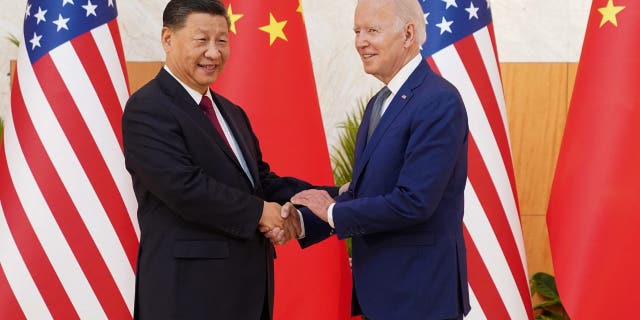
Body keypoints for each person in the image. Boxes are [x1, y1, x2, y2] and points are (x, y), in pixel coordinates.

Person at [122, 0, 319, 319]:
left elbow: (260, 182)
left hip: (246, 295)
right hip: (187, 297)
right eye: (201, 40)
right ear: (168, 39)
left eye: (222, 40)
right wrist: (261, 213)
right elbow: (184, 187)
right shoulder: (147, 108)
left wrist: (331, 198)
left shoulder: (232, 112)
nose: (213, 53)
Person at [289, 0, 471, 318]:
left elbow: (414, 201)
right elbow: (367, 193)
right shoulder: (379, 103)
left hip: (419, 297)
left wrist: (331, 211)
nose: (360, 41)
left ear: (408, 34)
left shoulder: (438, 100)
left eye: (372, 30)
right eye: (357, 31)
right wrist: (304, 219)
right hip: (385, 294)